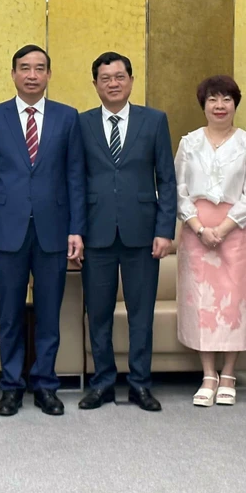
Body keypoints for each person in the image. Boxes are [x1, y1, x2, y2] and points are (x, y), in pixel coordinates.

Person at [0, 45, 85, 417]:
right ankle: (10, 387)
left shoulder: (67, 117)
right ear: (13, 74)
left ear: (49, 75)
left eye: (40, 68)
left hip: (54, 230)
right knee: (9, 314)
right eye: (25, 68)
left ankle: (45, 385)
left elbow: (75, 177)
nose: (32, 75)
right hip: (7, 231)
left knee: (49, 314)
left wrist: (76, 229)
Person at [77, 52, 176, 412]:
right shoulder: (82, 123)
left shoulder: (154, 121)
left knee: (140, 315)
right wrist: (76, 231)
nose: (113, 84)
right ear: (95, 85)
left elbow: (166, 179)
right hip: (96, 233)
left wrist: (165, 230)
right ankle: (102, 384)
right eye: (105, 78)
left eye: (119, 77)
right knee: (98, 314)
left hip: (142, 234)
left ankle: (140, 384)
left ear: (131, 81)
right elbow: (75, 180)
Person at [175, 75, 246, 407]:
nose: (220, 105)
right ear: (204, 105)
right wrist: (199, 229)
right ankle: (208, 374)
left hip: (235, 233)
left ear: (235, 104)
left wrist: (222, 230)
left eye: (227, 99)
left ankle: (229, 373)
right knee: (202, 303)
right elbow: (179, 192)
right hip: (196, 234)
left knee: (233, 302)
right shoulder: (189, 143)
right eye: (213, 99)